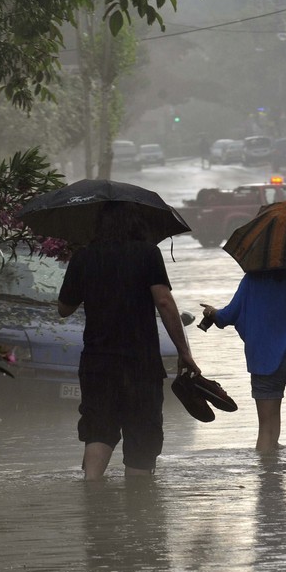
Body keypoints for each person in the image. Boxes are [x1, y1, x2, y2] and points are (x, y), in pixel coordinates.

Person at [57, 201, 198, 481]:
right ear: (137, 224)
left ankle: (92, 496)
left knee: (98, 428)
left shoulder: (84, 257)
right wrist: (185, 352)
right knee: (142, 432)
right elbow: (165, 303)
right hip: (141, 363)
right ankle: (140, 512)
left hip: (98, 363)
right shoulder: (147, 254)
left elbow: (64, 308)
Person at [200, 252, 286, 454]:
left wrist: (212, 313)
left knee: (267, 430)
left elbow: (227, 316)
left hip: (264, 359)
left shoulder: (252, 278)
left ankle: (267, 483)